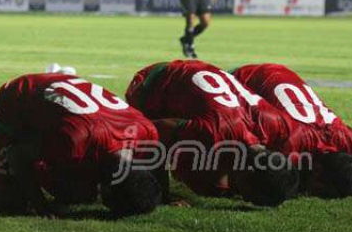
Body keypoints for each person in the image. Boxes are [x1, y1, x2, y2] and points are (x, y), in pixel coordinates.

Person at [0, 73, 162, 217]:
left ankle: (50, 172)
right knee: (11, 204)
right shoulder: (75, 141)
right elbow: (17, 155)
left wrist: (165, 196)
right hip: (17, 100)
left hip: (66, 104)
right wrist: (40, 205)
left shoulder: (147, 134)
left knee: (76, 194)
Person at [126, 60, 298, 207]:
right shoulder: (215, 133)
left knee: (207, 177)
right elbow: (153, 131)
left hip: (203, 75)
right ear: (248, 171)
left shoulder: (276, 123)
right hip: (153, 81)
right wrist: (161, 191)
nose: (245, 198)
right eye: (250, 196)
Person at [232, 64, 352, 198]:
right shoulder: (291, 143)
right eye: (322, 191)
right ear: (318, 171)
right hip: (247, 77)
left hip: (285, 74)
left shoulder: (349, 139)